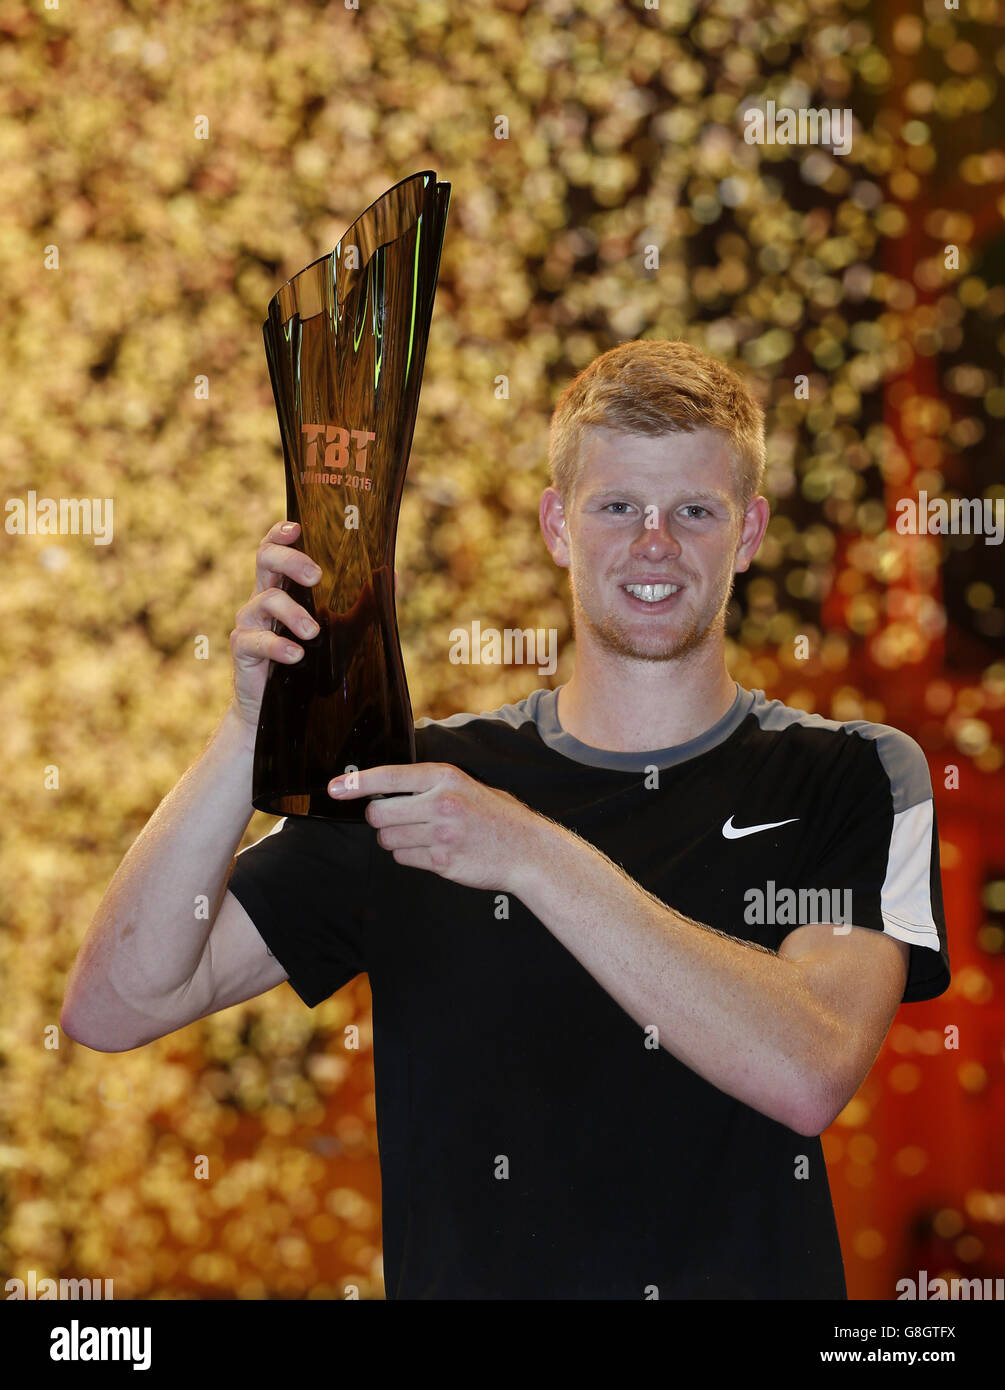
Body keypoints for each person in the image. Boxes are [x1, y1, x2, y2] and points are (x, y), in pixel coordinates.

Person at [61, 338, 950, 1300]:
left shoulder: (853, 773)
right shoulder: (422, 781)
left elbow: (808, 1067)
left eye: (693, 511)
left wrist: (527, 853)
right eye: (616, 508)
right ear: (557, 526)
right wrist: (247, 732)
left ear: (747, 534)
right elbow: (118, 1005)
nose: (655, 543)